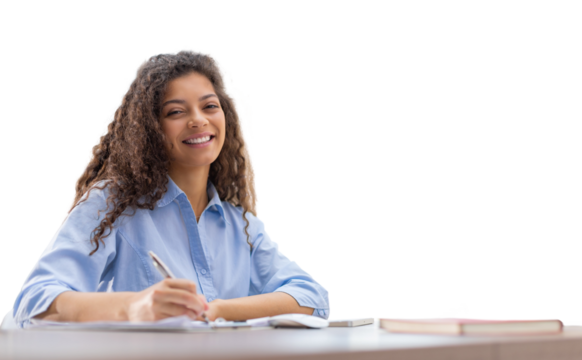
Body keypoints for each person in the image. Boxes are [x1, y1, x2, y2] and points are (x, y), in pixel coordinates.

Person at [10, 46, 330, 329]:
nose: (198, 120)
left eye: (209, 106)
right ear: (150, 129)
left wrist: (215, 311)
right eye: (176, 112)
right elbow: (35, 298)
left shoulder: (239, 224)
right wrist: (135, 307)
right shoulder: (113, 205)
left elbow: (312, 297)